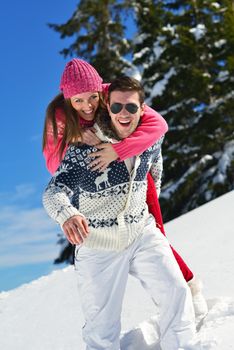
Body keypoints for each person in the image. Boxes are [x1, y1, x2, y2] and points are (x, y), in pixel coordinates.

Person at [43, 76, 202, 349]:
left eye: (130, 108)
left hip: (141, 232)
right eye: (116, 108)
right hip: (98, 245)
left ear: (143, 109)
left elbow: (156, 167)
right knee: (101, 330)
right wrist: (67, 214)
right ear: (107, 106)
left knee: (176, 294)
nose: (123, 114)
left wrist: (143, 202)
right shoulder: (84, 150)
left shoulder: (149, 141)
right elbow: (52, 192)